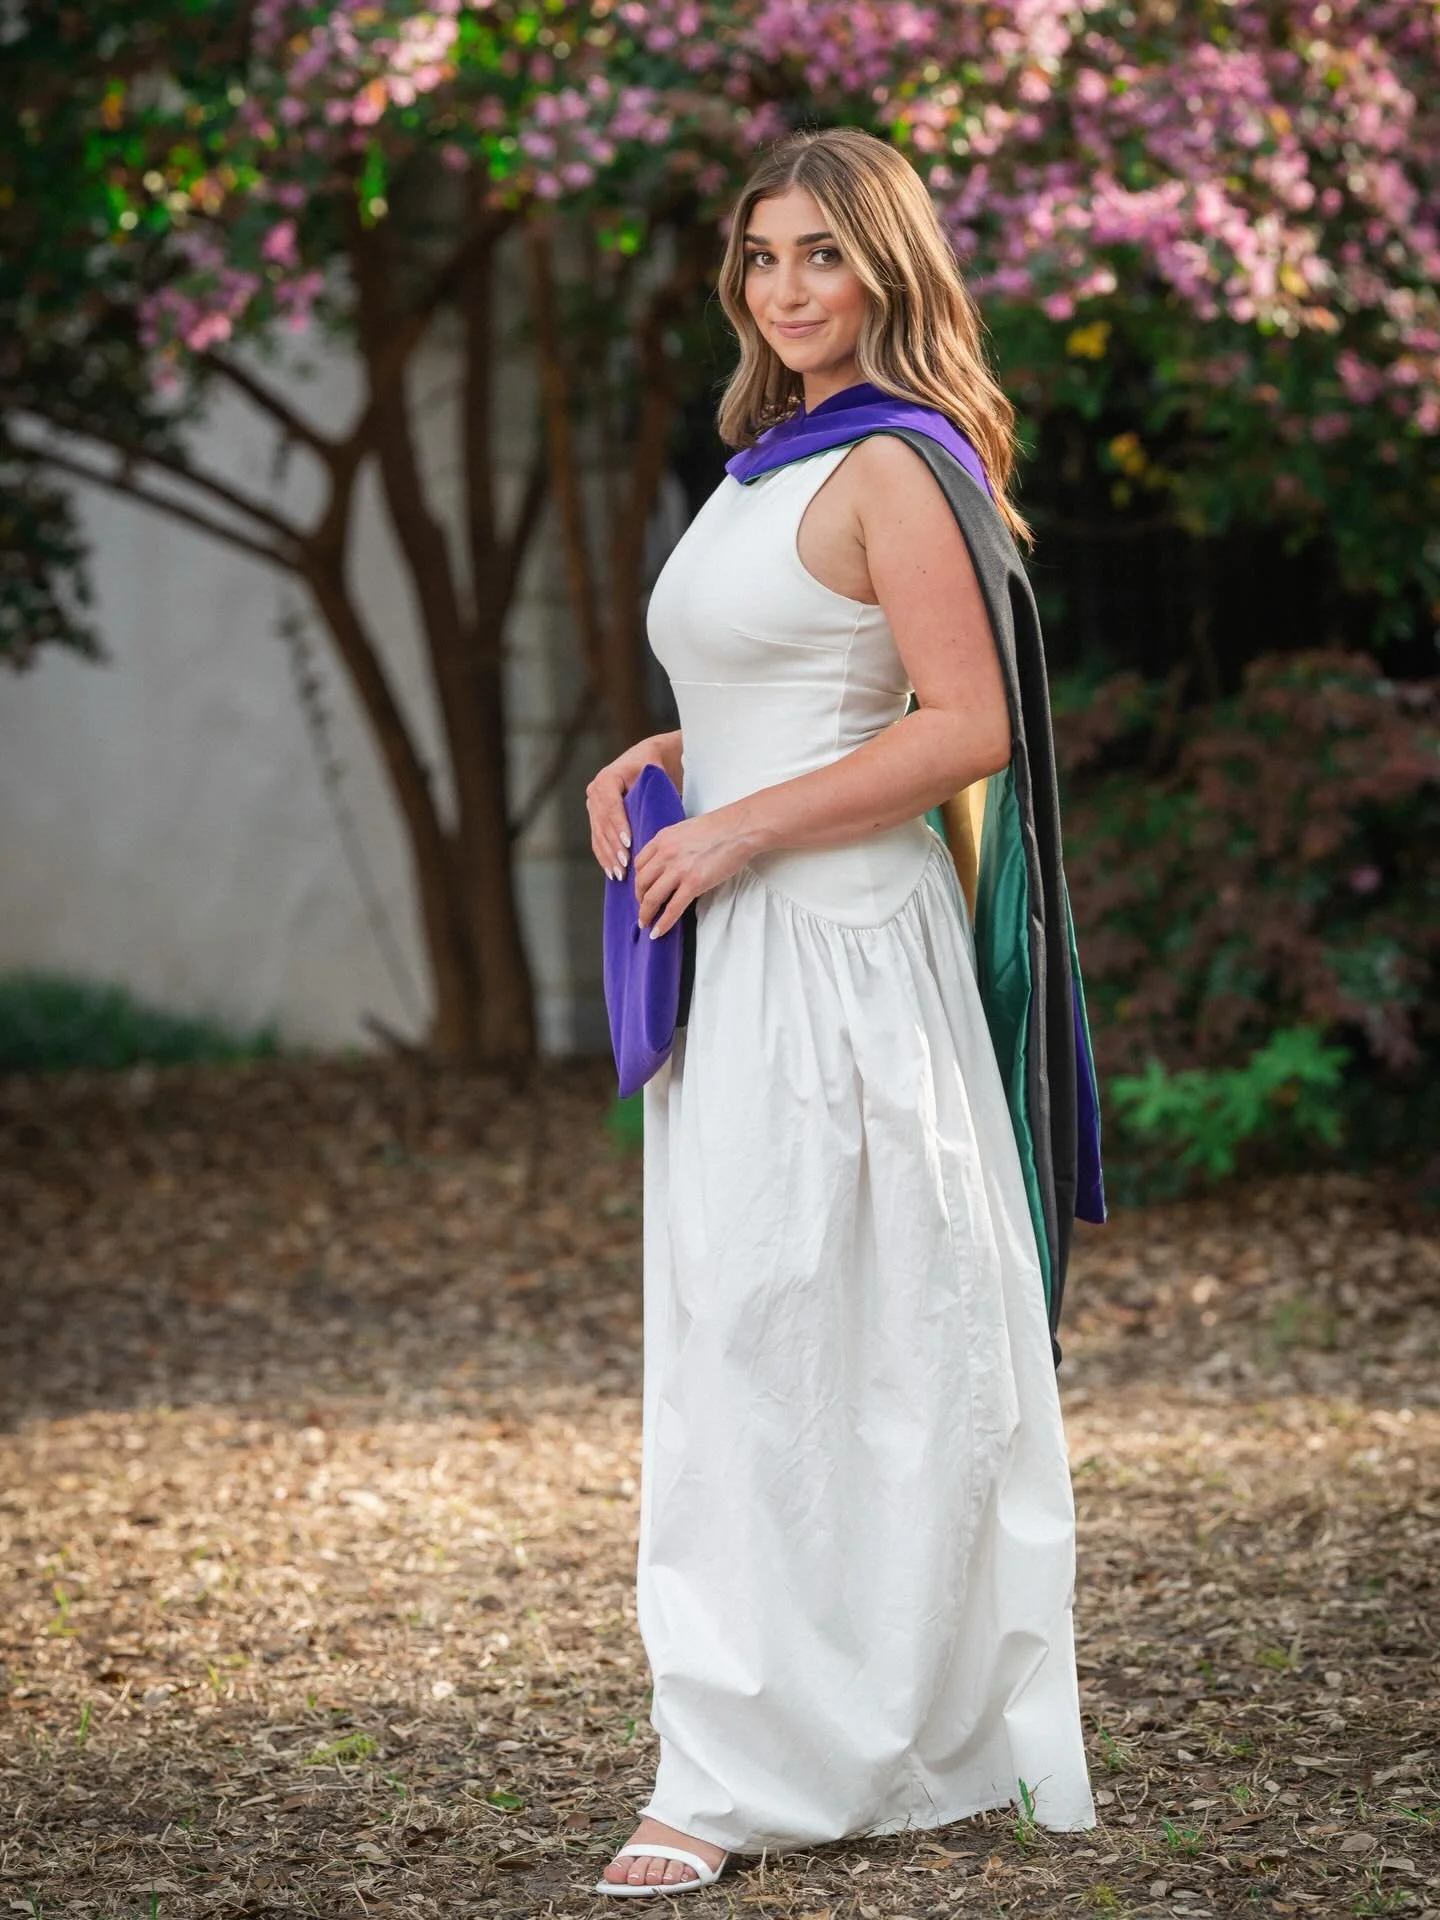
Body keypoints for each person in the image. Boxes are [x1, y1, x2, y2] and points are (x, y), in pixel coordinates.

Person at [584, 126, 1097, 1898]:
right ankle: (790, 1732)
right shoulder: (761, 463)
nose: (785, 288)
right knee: (751, 1337)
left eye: (822, 254)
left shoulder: (893, 460)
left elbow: (964, 727)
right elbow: (804, 685)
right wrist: (665, 755)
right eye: (762, 255)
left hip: (841, 951)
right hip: (741, 950)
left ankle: (752, 1769)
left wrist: (739, 826)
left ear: (889, 266)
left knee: (838, 1340)